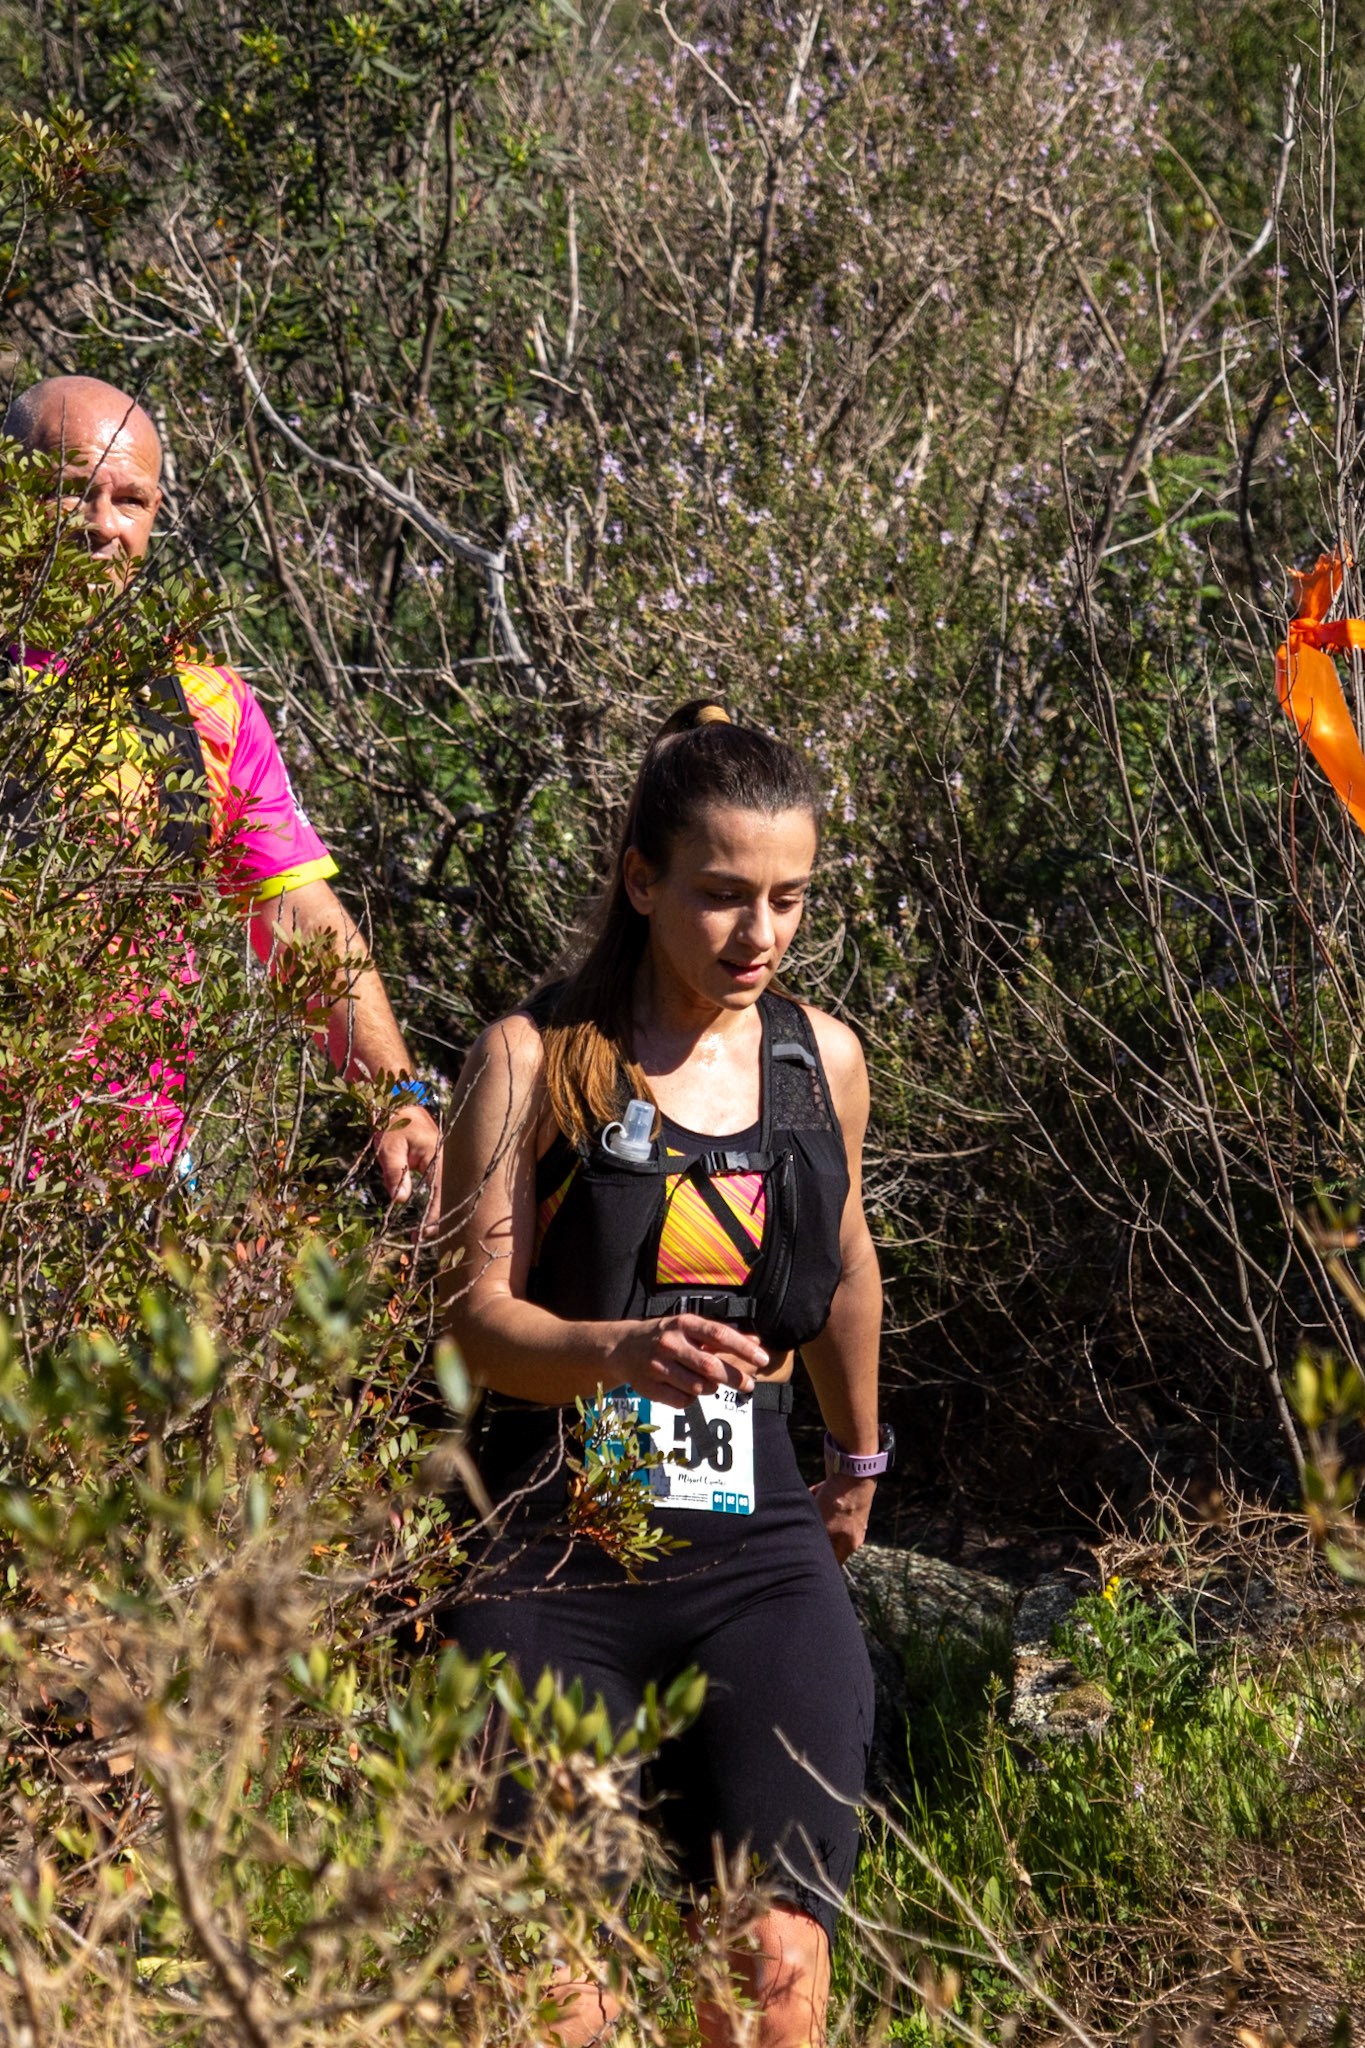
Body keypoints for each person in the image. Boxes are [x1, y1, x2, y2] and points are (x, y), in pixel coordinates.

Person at [440, 702, 888, 2048]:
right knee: (553, 1991)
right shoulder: (530, 1058)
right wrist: (615, 1353)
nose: (759, 934)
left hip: (754, 1548)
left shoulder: (820, 1060)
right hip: (547, 1551)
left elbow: (845, 1269)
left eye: (788, 899)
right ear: (642, 879)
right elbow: (468, 1321)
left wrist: (857, 1459)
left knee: (776, 1971)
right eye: (722, 895)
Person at [3, 373, 439, 1199]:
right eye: (71, 492)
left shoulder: (206, 704)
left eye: (130, 501)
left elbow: (296, 917)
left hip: (135, 1186)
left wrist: (395, 1096)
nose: (103, 525)